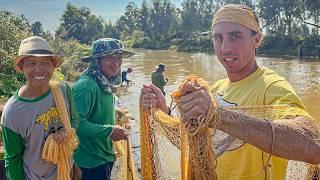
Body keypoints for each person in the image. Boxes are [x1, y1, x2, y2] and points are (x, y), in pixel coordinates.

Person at [140, 4, 320, 179]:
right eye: (218, 38)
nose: (225, 48)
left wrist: (217, 115)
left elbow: (313, 145)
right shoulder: (216, 89)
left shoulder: (271, 86)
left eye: (235, 36)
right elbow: (193, 144)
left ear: (257, 39)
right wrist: (165, 112)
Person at [1, 36, 79, 180]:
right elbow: (12, 159)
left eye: (45, 62)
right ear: (21, 67)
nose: (39, 69)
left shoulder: (62, 90)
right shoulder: (12, 112)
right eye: (32, 63)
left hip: (66, 171)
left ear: (53, 65)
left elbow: (74, 120)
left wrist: (67, 132)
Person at [72, 38, 134, 180]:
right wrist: (110, 130)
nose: (116, 62)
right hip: (90, 161)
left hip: (104, 155)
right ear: (97, 60)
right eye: (110, 57)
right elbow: (75, 123)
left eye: (119, 57)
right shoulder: (86, 86)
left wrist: (117, 117)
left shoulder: (105, 82)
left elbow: (97, 111)